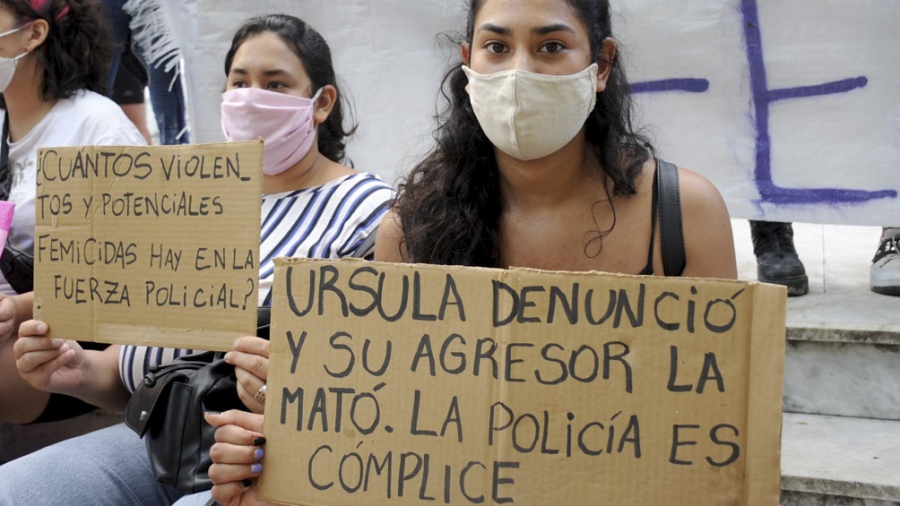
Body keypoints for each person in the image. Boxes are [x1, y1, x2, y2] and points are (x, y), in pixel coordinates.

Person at [196, 1, 738, 505]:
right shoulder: (409, 233)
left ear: (601, 64)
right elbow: (391, 438)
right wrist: (294, 438)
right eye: (496, 47)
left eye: (551, 46)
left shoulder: (684, 215)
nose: (519, 72)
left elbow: (715, 436)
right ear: (468, 63)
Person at [0, 12, 393, 505]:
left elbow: (368, 387)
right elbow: (130, 371)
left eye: (275, 84)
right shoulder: (193, 196)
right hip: (161, 439)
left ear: (322, 102)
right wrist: (77, 371)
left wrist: (279, 395)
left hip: (272, 461)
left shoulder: (367, 212)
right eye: (239, 82)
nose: (252, 97)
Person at [0, 0, 147, 426]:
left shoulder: (99, 128)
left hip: (66, 337)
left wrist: (18, 309)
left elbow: (134, 268)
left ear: (34, 34)